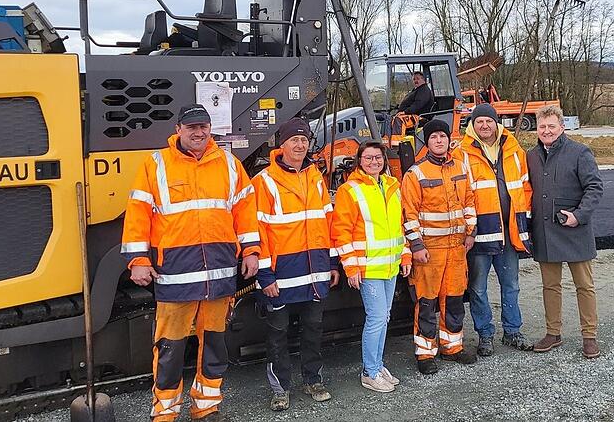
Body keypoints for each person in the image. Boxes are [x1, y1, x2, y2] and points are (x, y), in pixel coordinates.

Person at [121, 104, 260, 422]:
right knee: (170, 348)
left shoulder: (228, 164)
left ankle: (206, 408)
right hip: (175, 275)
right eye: (192, 127)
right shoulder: (155, 165)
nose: (199, 133)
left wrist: (251, 250)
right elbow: (138, 213)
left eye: (204, 127)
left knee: (214, 346)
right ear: (178, 130)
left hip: (219, 274)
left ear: (211, 130)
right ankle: (165, 413)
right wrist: (138, 260)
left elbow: (245, 210)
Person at [252, 118, 340, 411]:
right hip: (281, 274)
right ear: (282, 145)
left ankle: (313, 379)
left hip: (314, 271)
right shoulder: (264, 182)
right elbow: (258, 232)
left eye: (304, 140)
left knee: (313, 329)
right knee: (278, 335)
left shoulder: (316, 177)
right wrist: (265, 275)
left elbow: (328, 222)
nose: (300, 145)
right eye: (294, 140)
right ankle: (281, 389)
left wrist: (332, 263)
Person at [332, 141, 411, 393]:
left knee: (384, 317)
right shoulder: (350, 190)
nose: (374, 162)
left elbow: (400, 225)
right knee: (376, 318)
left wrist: (405, 256)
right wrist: (351, 267)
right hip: (368, 268)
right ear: (359, 161)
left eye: (378, 158)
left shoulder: (392, 186)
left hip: (389, 265)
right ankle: (370, 371)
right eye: (368, 158)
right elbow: (341, 231)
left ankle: (377, 364)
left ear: (384, 160)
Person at [455, 103, 534, 356]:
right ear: (473, 125)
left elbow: (526, 186)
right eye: (480, 122)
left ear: (496, 123)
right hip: (479, 233)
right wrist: (468, 228)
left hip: (509, 232)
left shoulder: (513, 150)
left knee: (511, 284)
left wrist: (525, 219)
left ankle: (512, 331)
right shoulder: (462, 153)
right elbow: (459, 193)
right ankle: (485, 334)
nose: (485, 126)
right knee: (477, 287)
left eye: (489, 121)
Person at [526, 105, 604, 359]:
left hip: (575, 230)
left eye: (551, 126)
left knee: (584, 285)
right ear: (536, 129)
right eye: (542, 127)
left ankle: (589, 336)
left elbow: (594, 187)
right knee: (550, 286)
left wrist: (578, 216)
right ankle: (553, 333)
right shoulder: (531, 156)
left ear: (561, 127)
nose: (546, 131)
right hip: (545, 231)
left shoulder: (580, 152)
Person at [401, 119, 478, 375]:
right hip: (429, 250)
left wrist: (471, 231)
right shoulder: (416, 173)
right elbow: (408, 214)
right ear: (427, 141)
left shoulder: (460, 168)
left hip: (457, 247)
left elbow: (469, 201)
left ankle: (452, 347)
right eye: (433, 137)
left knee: (454, 300)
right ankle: (425, 353)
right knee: (426, 302)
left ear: (448, 140)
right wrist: (416, 245)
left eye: (442, 137)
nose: (438, 140)